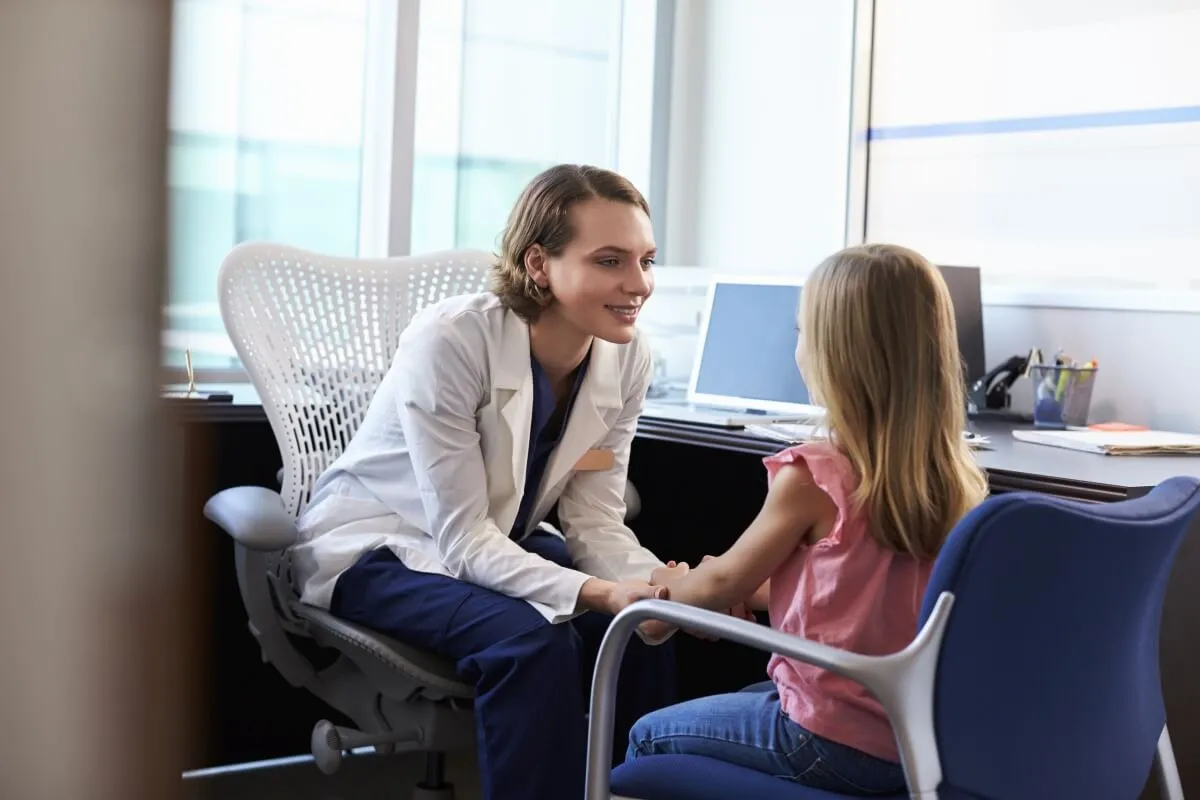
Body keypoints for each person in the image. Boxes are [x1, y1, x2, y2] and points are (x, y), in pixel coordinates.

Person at [290, 164, 680, 800]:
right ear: (539, 263)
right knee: (531, 645)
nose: (639, 284)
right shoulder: (452, 340)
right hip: (380, 548)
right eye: (610, 261)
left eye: (647, 260)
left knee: (638, 629)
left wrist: (643, 587)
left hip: (490, 541)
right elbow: (464, 536)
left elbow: (593, 516)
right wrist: (599, 591)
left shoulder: (626, 356)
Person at [625, 244, 989, 795]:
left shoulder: (814, 475)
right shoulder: (956, 477)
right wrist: (752, 593)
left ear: (833, 353)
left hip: (829, 738)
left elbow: (722, 581)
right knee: (752, 695)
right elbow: (855, 588)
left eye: (801, 332)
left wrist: (674, 587)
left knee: (645, 737)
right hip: (914, 742)